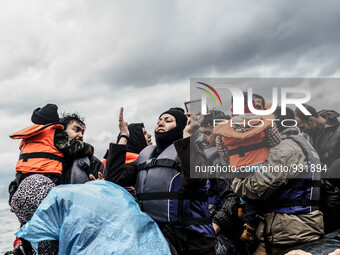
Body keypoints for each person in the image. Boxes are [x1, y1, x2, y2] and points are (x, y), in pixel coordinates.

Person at [105, 107, 215, 255]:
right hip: (157, 238)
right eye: (158, 121)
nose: (160, 123)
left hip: (193, 242)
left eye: (168, 120)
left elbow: (194, 182)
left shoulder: (193, 151)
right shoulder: (145, 156)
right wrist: (123, 136)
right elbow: (114, 178)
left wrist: (187, 137)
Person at [232, 107, 324, 255]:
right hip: (298, 228)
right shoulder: (302, 142)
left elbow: (255, 189)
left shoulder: (283, 150)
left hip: (288, 235)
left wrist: (237, 177)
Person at [8, 104, 95, 254]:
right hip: (40, 191)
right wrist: (90, 148)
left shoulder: (31, 138)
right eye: (76, 130)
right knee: (50, 239)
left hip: (18, 195)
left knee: (29, 233)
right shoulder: (55, 134)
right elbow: (73, 148)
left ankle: (23, 249)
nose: (81, 134)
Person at [214, 93, 281, 245]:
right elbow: (276, 142)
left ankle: (241, 207)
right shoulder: (263, 122)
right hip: (259, 166)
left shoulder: (223, 130)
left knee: (244, 188)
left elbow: (224, 155)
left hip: (237, 168)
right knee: (257, 197)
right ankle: (249, 229)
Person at [295, 104, 340, 233]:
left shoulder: (338, 131)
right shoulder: (309, 135)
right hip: (321, 194)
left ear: (311, 120)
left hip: (336, 191)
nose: (301, 131)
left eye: (302, 127)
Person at [58, 113, 104, 184]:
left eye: (82, 133)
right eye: (76, 130)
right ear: (62, 132)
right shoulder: (50, 158)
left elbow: (105, 184)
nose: (81, 135)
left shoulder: (92, 161)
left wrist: (101, 184)